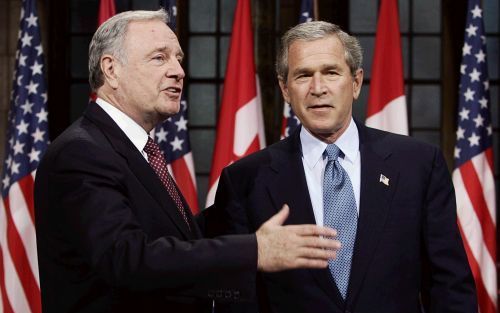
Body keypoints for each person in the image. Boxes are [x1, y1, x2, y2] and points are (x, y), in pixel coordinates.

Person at [34, 10, 341, 313]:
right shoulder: (81, 152)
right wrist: (254, 250)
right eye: (159, 57)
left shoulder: (134, 149)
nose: (178, 70)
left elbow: (174, 237)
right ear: (111, 69)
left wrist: (246, 199)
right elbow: (128, 258)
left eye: (178, 58)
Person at [209, 21, 477, 313]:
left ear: (356, 82)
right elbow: (238, 300)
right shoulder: (246, 180)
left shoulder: (418, 165)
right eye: (303, 76)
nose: (318, 88)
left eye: (331, 72)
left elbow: (449, 286)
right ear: (285, 89)